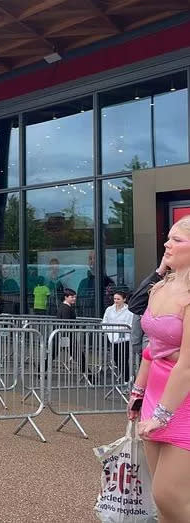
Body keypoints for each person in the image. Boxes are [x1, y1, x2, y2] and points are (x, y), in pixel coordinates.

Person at [128, 216, 190, 522]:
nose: (167, 244)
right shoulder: (159, 288)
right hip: (154, 393)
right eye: (168, 238)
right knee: (161, 501)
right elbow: (151, 350)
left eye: (177, 241)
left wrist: (161, 415)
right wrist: (138, 393)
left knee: (170, 494)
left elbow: (187, 365)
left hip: (182, 401)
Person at [101, 291, 134, 382]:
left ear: (124, 299)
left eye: (118, 299)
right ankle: (126, 376)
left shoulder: (129, 310)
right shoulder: (109, 309)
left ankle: (127, 379)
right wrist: (108, 331)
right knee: (116, 358)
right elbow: (105, 321)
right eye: (115, 299)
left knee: (124, 359)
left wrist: (123, 329)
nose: (116, 301)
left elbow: (131, 324)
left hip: (125, 338)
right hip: (113, 338)